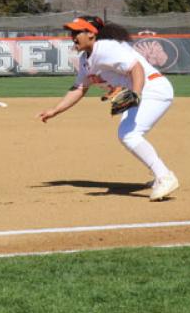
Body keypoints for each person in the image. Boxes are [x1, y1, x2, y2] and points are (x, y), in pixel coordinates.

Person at [37, 15, 179, 201]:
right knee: (129, 134)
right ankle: (160, 173)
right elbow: (80, 87)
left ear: (91, 34)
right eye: (71, 32)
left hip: (153, 89)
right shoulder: (85, 60)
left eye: (77, 32)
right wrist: (55, 110)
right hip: (146, 91)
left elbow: (136, 68)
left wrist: (135, 94)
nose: (72, 36)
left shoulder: (106, 48)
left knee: (128, 134)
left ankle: (164, 176)